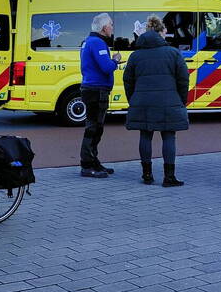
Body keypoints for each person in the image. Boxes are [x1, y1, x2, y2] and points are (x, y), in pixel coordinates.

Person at [123, 15, 189, 186]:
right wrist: (181, 100)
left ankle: (147, 175)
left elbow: (127, 80)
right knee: (169, 136)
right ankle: (169, 177)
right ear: (161, 32)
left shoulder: (136, 56)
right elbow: (183, 80)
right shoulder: (173, 53)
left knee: (145, 135)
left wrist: (134, 99)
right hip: (169, 101)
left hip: (142, 101)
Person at [79, 13, 123, 178]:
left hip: (91, 88)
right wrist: (115, 60)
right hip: (97, 90)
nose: (112, 27)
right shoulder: (98, 42)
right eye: (111, 24)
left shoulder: (88, 42)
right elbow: (106, 67)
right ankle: (87, 165)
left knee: (95, 128)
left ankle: (93, 161)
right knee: (94, 129)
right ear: (104, 27)